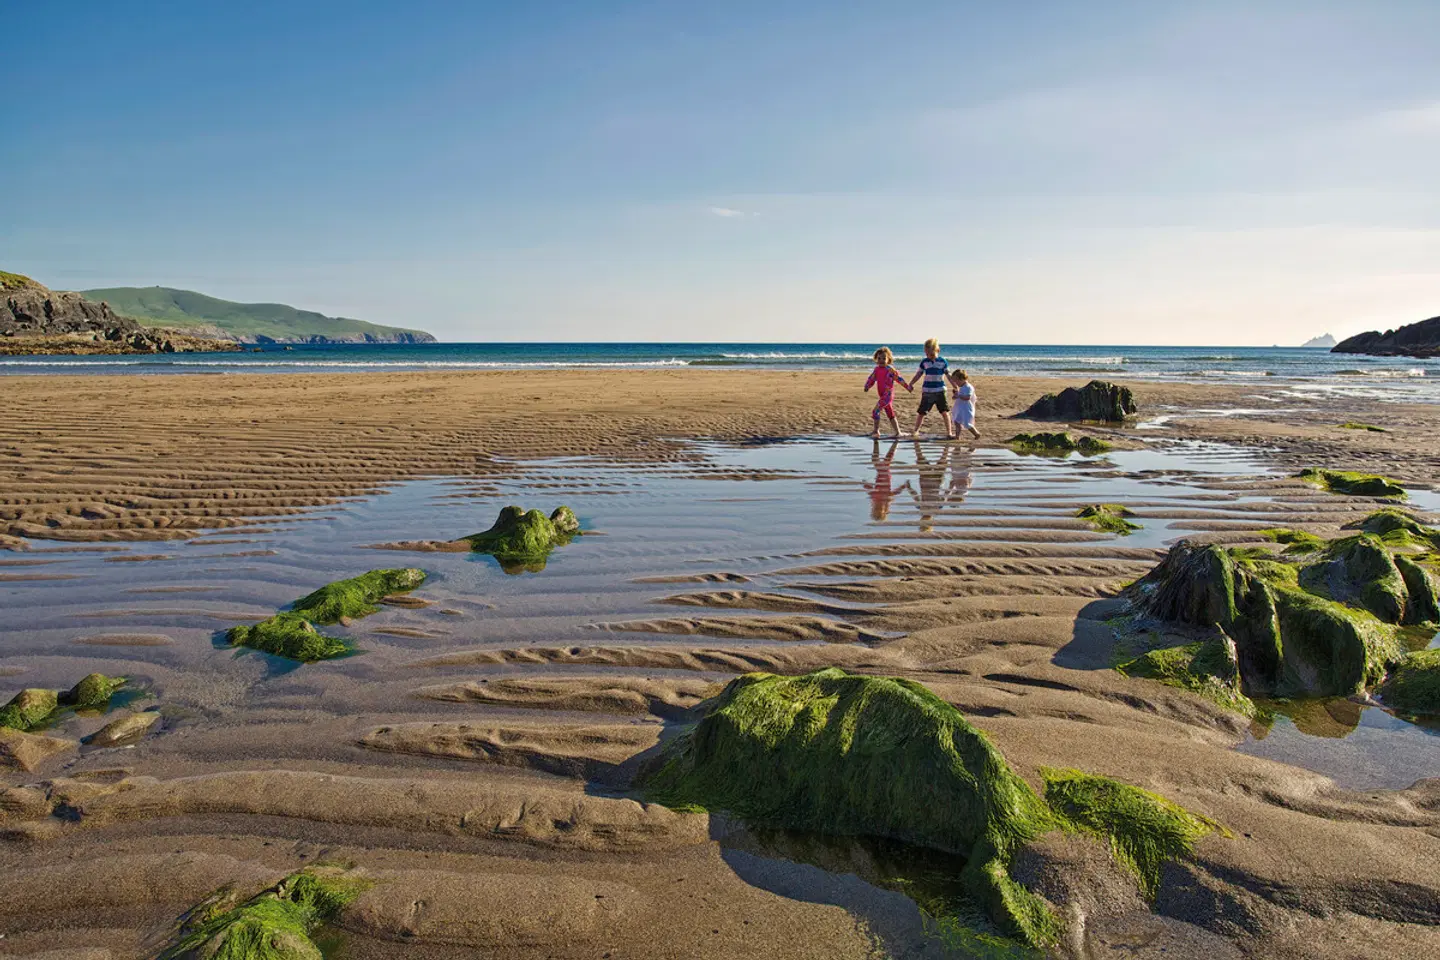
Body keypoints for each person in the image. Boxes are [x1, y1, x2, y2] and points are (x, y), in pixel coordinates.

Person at [908, 338, 954, 439]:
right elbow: (918, 374)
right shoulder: (924, 362)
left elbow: (948, 375)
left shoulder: (942, 362)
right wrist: (911, 383)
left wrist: (955, 386)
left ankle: (949, 432)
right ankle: (916, 431)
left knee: (945, 412)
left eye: (932, 354)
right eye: (927, 354)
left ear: (938, 350)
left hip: (940, 391)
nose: (929, 356)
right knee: (921, 412)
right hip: (927, 391)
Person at [864, 346, 912, 439]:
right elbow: (871, 379)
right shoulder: (877, 369)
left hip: (888, 395)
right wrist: (867, 386)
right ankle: (898, 432)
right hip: (882, 395)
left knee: (875, 411)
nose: (881, 360)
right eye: (879, 358)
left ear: (888, 359)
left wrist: (907, 387)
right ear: (876, 359)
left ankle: (876, 431)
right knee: (890, 413)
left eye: (884, 358)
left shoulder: (889, 369)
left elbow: (899, 379)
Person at [950, 369, 981, 440]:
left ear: (962, 379)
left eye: (956, 381)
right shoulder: (962, 387)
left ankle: (976, 433)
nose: (956, 383)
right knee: (957, 421)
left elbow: (967, 397)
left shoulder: (968, 387)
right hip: (960, 408)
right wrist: (955, 396)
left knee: (967, 424)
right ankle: (957, 436)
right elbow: (960, 395)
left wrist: (959, 396)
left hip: (967, 409)